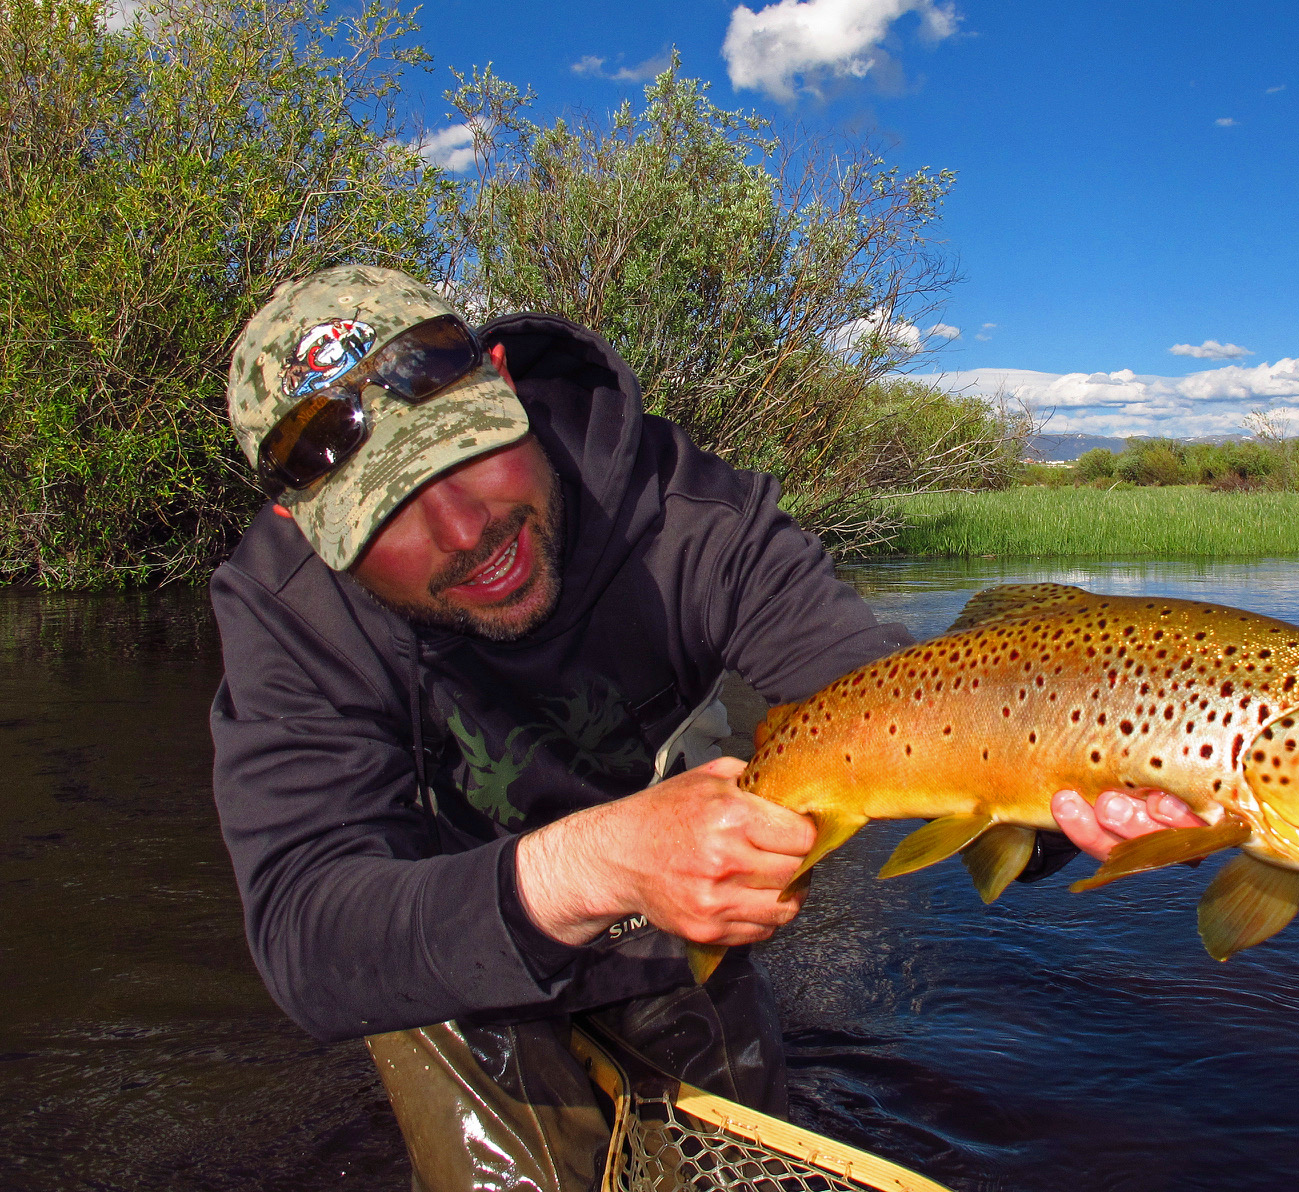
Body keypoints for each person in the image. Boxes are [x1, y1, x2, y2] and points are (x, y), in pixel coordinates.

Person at [209, 265, 1205, 1192]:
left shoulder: (685, 512)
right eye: (393, 512)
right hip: (439, 935)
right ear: (305, 521)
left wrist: (1045, 801)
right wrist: (591, 865)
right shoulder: (286, 609)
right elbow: (307, 936)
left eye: (470, 458)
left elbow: (876, 698)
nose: (467, 533)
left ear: (503, 382)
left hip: (669, 911)